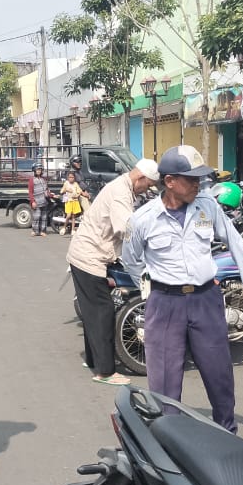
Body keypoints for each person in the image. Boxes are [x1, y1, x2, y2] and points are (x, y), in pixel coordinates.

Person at [122, 146, 243, 431]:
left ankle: (227, 434)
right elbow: (130, 260)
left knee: (219, 374)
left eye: (200, 179)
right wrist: (152, 288)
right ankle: (170, 439)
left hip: (206, 300)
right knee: (165, 383)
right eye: (191, 179)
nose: (198, 184)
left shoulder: (206, 206)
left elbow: (234, 241)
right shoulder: (143, 219)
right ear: (169, 182)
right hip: (165, 304)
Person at [67, 158, 160, 386]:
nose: (145, 191)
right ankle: (105, 371)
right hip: (90, 257)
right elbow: (126, 230)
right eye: (147, 186)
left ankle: (93, 360)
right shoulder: (120, 193)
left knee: (92, 311)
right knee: (103, 311)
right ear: (139, 178)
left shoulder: (123, 188)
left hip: (84, 253)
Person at [28, 163, 51, 237]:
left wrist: (51, 195)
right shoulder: (32, 180)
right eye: (37, 169)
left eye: (40, 170)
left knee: (44, 217)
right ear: (34, 170)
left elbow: (46, 190)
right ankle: (35, 231)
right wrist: (32, 202)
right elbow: (30, 192)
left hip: (44, 201)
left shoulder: (43, 179)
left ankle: (42, 231)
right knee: (36, 216)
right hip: (36, 202)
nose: (39, 171)